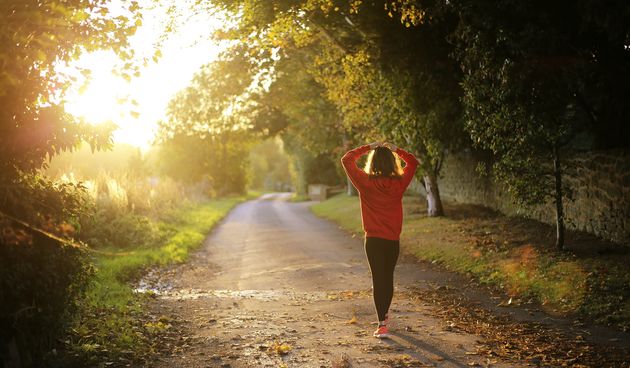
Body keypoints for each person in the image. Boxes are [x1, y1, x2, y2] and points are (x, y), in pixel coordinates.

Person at [341, 141, 419, 338]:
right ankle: (384, 316)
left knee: (378, 279)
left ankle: (382, 324)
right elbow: (413, 162)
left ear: (372, 162)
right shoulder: (399, 183)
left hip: (373, 241)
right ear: (392, 163)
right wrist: (396, 149)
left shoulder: (365, 182)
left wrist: (368, 147)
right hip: (392, 240)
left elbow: (347, 159)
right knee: (388, 278)